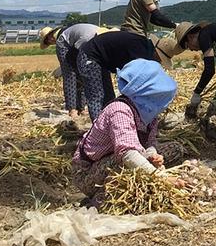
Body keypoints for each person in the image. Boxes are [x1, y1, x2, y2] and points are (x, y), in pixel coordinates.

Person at [72, 59, 178, 207]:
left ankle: (133, 182)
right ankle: (100, 198)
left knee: (175, 148)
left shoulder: (148, 114)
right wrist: (160, 177)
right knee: (123, 161)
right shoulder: (119, 110)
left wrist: (152, 155)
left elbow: (150, 142)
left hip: (127, 156)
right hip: (88, 172)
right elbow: (127, 153)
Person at [77, 29, 173, 121]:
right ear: (156, 52)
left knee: (109, 96)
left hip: (101, 60)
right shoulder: (140, 49)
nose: (158, 62)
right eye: (160, 59)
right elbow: (129, 79)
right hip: (89, 56)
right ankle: (98, 128)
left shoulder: (144, 47)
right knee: (97, 96)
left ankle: (109, 123)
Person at [39, 23, 101, 119]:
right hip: (72, 45)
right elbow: (78, 52)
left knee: (82, 75)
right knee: (70, 75)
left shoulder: (94, 36)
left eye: (48, 42)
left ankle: (81, 108)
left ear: (50, 38)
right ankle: (72, 109)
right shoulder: (64, 38)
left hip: (78, 44)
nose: (51, 43)